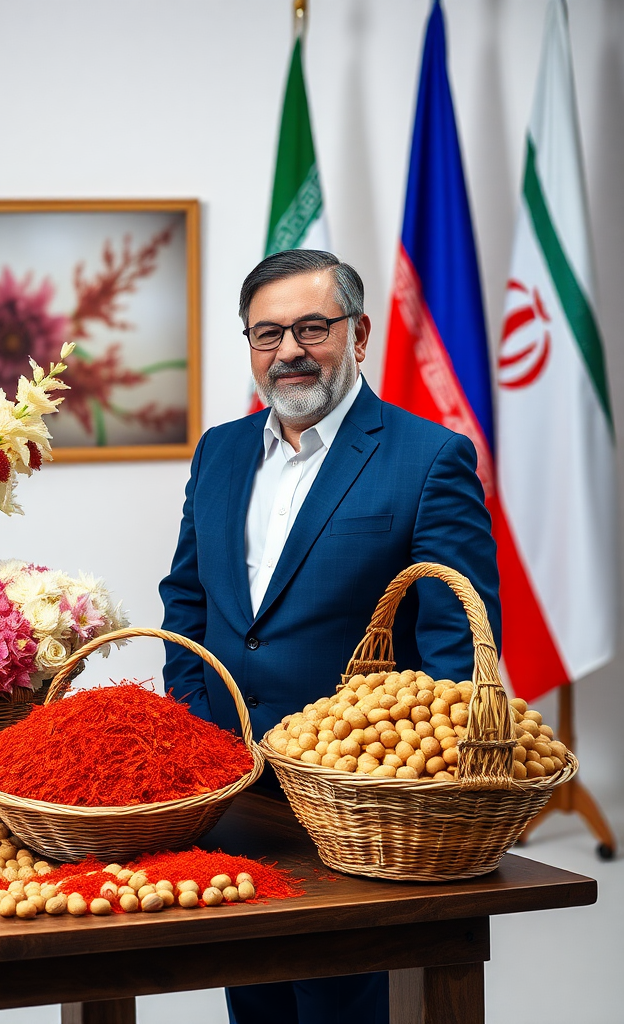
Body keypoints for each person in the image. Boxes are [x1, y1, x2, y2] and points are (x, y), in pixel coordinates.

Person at [159, 249, 500, 1024]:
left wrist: (411, 784)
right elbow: (187, 597)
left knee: (346, 1001)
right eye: (267, 332)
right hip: (231, 790)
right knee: (255, 993)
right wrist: (194, 723)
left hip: (357, 803)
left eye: (313, 327)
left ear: (360, 334)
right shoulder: (220, 451)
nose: (289, 350)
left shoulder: (429, 458)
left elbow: (458, 642)